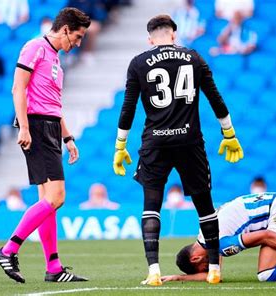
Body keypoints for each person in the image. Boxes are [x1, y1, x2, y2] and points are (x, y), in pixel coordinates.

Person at [112, 15, 244, 286]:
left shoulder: (138, 62)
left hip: (155, 143)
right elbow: (215, 98)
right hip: (190, 141)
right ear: (174, 34)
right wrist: (228, 133)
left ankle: (154, 271)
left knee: (151, 206)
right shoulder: (194, 57)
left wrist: (120, 145)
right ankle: (215, 270)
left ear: (150, 38)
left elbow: (128, 108)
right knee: (205, 207)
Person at [0, 7, 91, 284]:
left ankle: (54, 268)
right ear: (65, 30)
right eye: (79, 37)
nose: (79, 43)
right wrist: (24, 126)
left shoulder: (56, 58)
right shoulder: (35, 47)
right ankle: (8, 250)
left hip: (49, 127)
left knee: (47, 201)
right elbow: (18, 88)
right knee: (57, 197)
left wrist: (68, 137)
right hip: (35, 127)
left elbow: (54, 106)